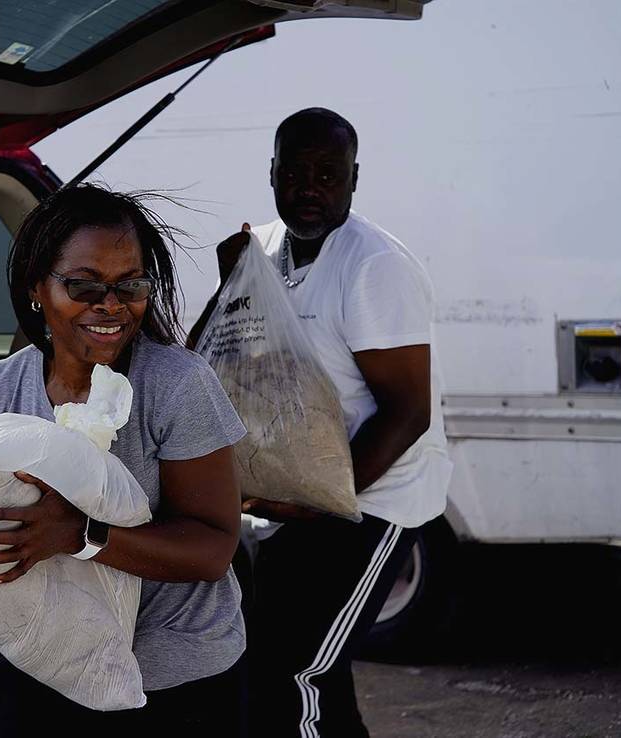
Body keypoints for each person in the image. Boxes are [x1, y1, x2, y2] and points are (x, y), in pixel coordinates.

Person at [0, 184, 248, 737]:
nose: (110, 305)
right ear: (38, 288)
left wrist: (84, 535)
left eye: (129, 285)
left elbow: (212, 549)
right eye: (84, 285)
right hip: (52, 665)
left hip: (177, 679)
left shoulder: (178, 386)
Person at [187, 107, 453, 737]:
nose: (310, 188)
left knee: (298, 671)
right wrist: (233, 284)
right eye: (296, 173)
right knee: (277, 659)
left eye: (328, 174)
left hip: (374, 498)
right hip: (299, 497)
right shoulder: (267, 250)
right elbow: (208, 358)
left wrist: (327, 501)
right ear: (272, 174)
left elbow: (409, 412)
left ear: (354, 179)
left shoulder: (373, 267)